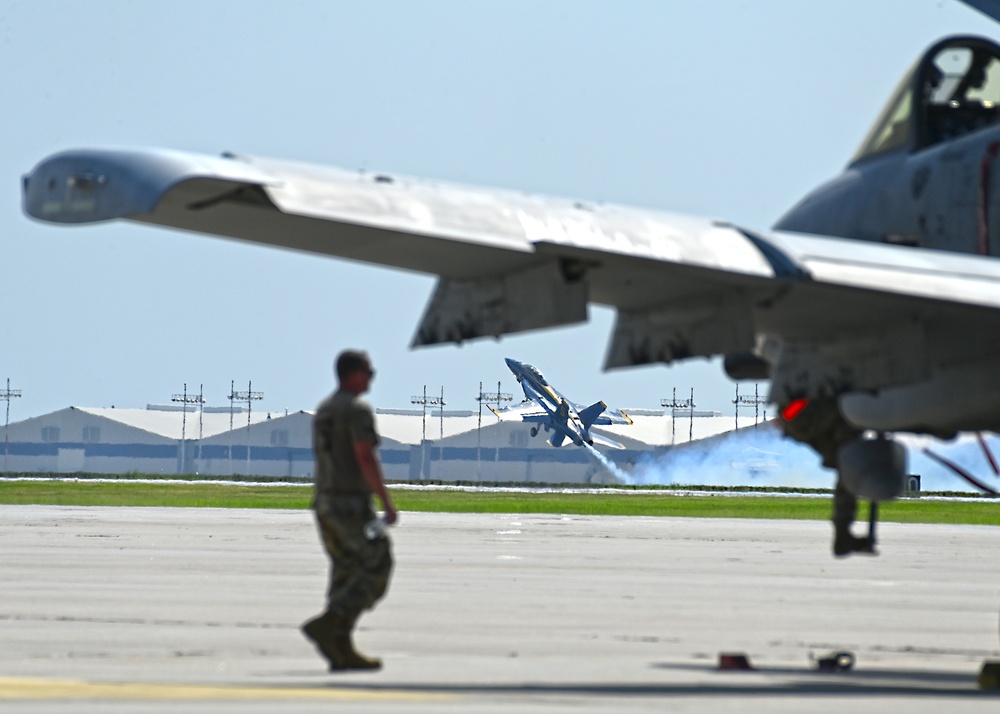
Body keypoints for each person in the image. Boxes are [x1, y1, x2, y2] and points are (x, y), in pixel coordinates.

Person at [302, 350, 398, 671]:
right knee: (377, 562)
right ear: (353, 374)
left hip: (325, 502)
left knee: (345, 571)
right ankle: (331, 622)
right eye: (368, 371)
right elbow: (365, 455)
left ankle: (340, 650)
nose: (372, 377)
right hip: (350, 505)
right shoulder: (357, 410)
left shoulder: (325, 409)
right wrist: (385, 502)